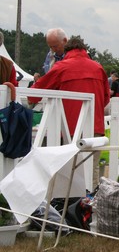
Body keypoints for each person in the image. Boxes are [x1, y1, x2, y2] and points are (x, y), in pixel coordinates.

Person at [30, 37, 110, 188]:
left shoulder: (61, 66)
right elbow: (105, 99)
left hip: (68, 129)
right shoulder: (98, 68)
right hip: (95, 128)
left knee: (66, 173)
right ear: (85, 50)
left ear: (67, 51)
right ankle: (89, 206)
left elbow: (34, 94)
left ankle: (66, 207)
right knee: (90, 172)